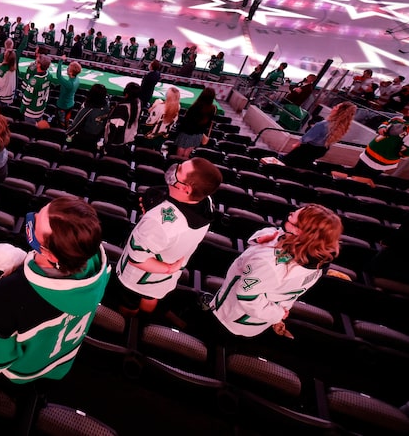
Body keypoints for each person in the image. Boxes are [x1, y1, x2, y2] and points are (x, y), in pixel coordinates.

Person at [0, 197, 110, 383]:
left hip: (20, 373)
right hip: (61, 359)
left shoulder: (12, 294)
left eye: (36, 226)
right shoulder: (96, 264)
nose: (30, 221)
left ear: (50, 254)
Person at [209, 205, 342, 338]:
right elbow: (278, 237)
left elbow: (246, 297)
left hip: (230, 317)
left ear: (299, 232)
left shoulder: (271, 264)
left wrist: (277, 314)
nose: (289, 215)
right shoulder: (316, 256)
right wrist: (265, 238)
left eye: (291, 217)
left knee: (216, 333)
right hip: (260, 314)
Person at [112, 158, 222, 315]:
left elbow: (136, 259)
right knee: (151, 296)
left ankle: (128, 322)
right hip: (165, 273)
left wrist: (169, 268)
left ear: (186, 189)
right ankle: (144, 321)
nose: (175, 168)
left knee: (128, 301)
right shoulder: (207, 202)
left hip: (138, 277)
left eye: (180, 170)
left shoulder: (157, 221)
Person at [282, 102, 356, 169]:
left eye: (336, 106)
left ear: (339, 112)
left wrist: (297, 144)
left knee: (287, 164)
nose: (333, 107)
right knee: (301, 167)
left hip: (307, 149)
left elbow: (308, 137)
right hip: (321, 150)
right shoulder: (341, 127)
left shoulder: (323, 124)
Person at [175, 87, 217, 158]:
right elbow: (209, 122)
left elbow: (186, 119)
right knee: (187, 152)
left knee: (181, 148)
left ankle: (177, 163)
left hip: (187, 131)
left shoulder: (195, 106)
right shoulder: (213, 108)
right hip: (198, 133)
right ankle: (183, 165)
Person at [67, 84, 110, 153]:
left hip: (85, 137)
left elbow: (76, 124)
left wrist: (68, 133)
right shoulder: (107, 106)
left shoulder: (87, 109)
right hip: (97, 136)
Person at [140, 86, 181, 150]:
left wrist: (154, 106)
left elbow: (150, 121)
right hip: (163, 135)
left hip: (151, 134)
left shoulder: (160, 107)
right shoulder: (177, 108)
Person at [105, 82, 141, 148]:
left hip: (117, 142)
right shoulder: (138, 102)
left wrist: (109, 145)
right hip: (129, 136)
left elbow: (115, 129)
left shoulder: (122, 108)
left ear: (126, 94)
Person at [55, 57, 81, 128]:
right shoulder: (77, 80)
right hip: (70, 104)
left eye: (68, 68)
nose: (67, 69)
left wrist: (60, 61)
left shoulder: (69, 84)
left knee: (61, 123)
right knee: (67, 121)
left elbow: (58, 76)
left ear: (71, 72)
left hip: (62, 106)